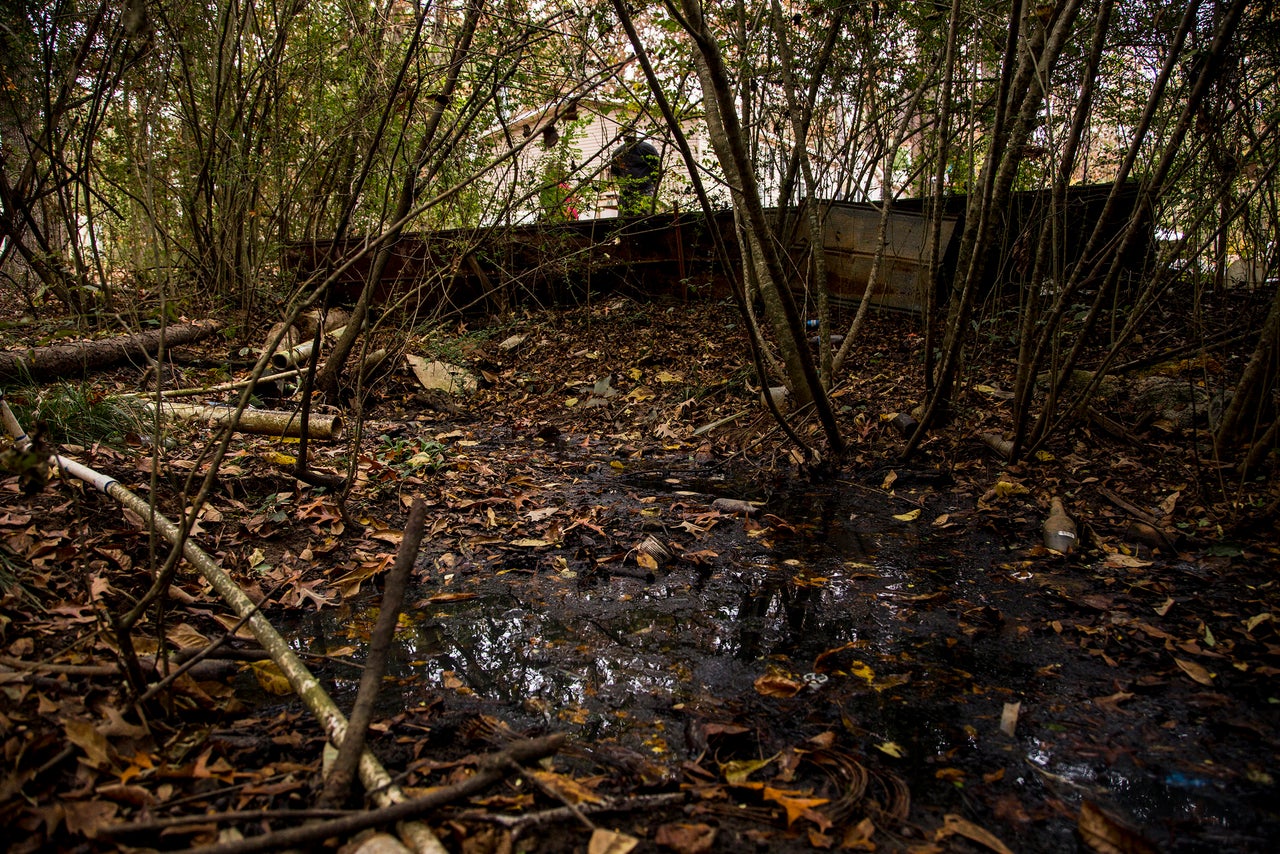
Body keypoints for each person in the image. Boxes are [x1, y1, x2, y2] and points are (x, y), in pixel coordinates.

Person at [610, 133, 660, 215]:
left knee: (646, 219)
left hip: (645, 191)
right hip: (626, 193)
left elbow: (657, 169)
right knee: (624, 220)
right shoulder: (618, 153)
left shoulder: (647, 149)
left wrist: (653, 185)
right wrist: (623, 187)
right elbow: (616, 173)